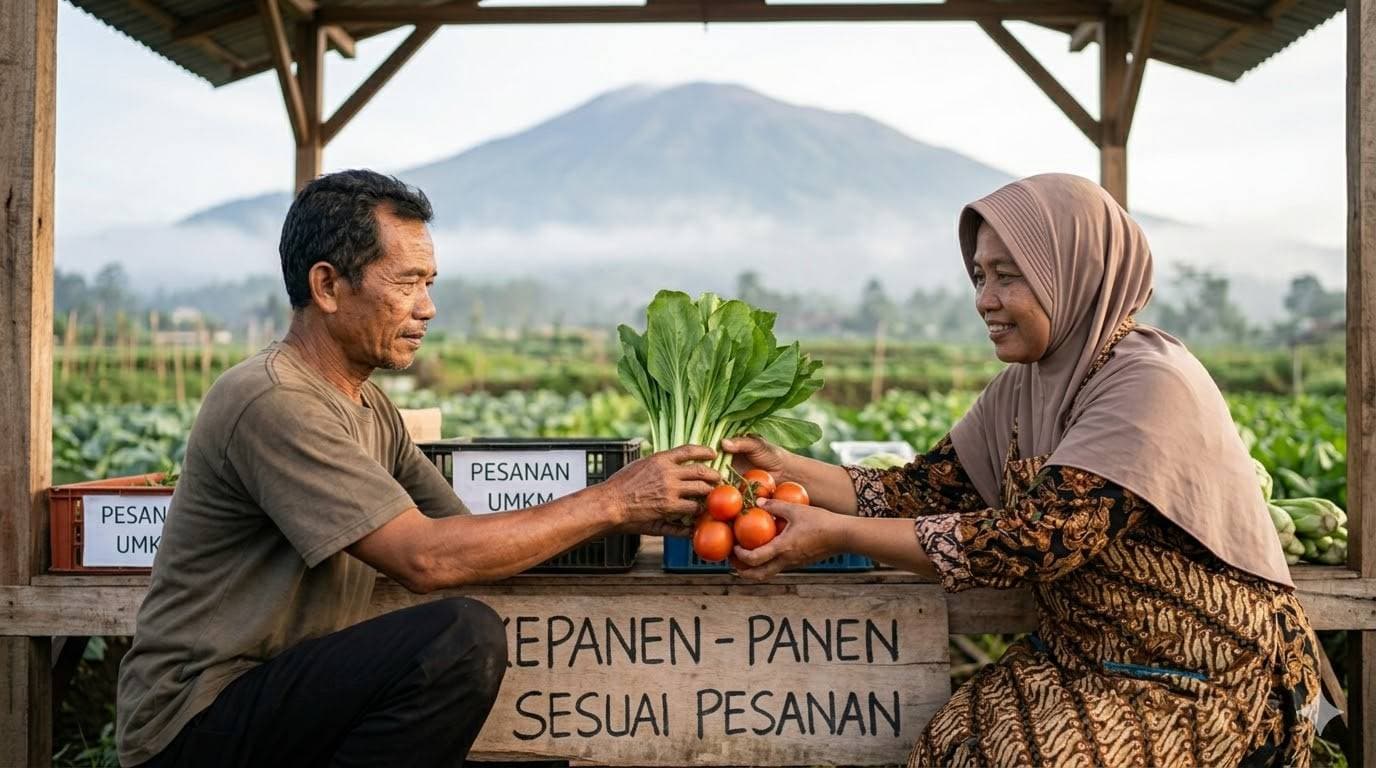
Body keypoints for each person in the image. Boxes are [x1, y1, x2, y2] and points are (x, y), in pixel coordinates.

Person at [116, 169, 719, 768]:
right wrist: (613, 501)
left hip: (284, 700)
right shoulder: (272, 400)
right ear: (327, 286)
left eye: (429, 283)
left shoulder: (370, 407)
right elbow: (427, 557)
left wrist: (632, 517)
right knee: (459, 639)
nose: (427, 308)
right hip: (195, 720)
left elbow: (463, 529)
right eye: (407, 283)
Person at [727, 173, 1321, 767]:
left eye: (1008, 274)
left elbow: (1037, 541)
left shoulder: (1148, 382)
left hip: (1205, 677)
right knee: (949, 749)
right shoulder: (1021, 388)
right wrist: (782, 464)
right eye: (980, 275)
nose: (984, 298)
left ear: (1072, 270)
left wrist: (839, 534)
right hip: (1081, 661)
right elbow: (915, 491)